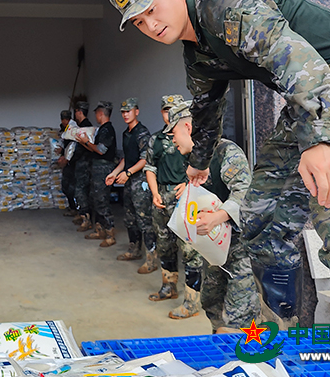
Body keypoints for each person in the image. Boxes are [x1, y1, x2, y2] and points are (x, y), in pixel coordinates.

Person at [111, 0, 330, 377]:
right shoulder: (198, 57)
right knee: (260, 212)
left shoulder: (224, 1)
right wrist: (198, 163)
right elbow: (205, 111)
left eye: (151, 9)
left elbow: (298, 58)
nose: (150, 24)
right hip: (313, 101)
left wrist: (320, 141)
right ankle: (286, 336)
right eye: (139, 22)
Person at [166, 100, 260, 333]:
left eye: (173, 132)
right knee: (211, 302)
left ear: (188, 127)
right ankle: (223, 351)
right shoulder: (194, 161)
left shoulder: (226, 151)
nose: (172, 139)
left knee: (240, 316)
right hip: (215, 250)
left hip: (240, 250)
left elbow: (244, 192)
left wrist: (218, 217)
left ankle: (245, 361)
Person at [144, 94, 206, 319]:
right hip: (162, 196)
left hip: (186, 198)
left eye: (173, 109)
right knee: (164, 245)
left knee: (190, 249)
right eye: (165, 109)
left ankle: (192, 301)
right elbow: (150, 167)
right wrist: (154, 193)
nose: (168, 113)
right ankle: (168, 287)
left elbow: (204, 168)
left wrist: (188, 185)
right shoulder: (156, 140)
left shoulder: (195, 138)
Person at [105, 98, 156, 272]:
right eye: (123, 111)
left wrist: (128, 173)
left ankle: (151, 259)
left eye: (129, 111)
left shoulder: (142, 133)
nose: (126, 114)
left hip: (140, 181)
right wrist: (114, 173)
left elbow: (145, 159)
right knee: (130, 218)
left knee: (144, 220)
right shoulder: (126, 133)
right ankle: (134, 249)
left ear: (137, 111)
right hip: (128, 181)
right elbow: (126, 158)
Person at [76, 101, 117, 246]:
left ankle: (110, 233)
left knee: (102, 201)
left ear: (100, 113)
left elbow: (100, 150)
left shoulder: (107, 130)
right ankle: (100, 230)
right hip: (97, 169)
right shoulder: (102, 129)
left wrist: (86, 142)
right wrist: (83, 142)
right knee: (95, 199)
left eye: (96, 113)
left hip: (103, 169)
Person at [72, 101, 94, 231]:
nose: (75, 114)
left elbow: (81, 148)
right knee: (80, 190)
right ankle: (83, 214)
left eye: (76, 112)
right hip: (81, 163)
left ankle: (87, 218)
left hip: (84, 164)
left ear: (80, 112)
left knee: (82, 191)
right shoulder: (82, 126)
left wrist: (70, 159)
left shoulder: (85, 127)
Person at [56, 109, 78, 215]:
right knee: (65, 186)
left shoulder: (73, 129)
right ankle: (72, 207)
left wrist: (66, 158)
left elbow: (73, 147)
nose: (64, 122)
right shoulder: (65, 129)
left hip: (72, 163)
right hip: (68, 162)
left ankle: (75, 209)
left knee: (71, 187)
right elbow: (66, 145)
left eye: (66, 119)